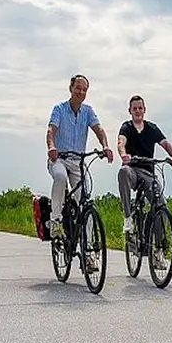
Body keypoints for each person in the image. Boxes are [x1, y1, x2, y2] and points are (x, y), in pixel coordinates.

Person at [45, 75, 114, 272]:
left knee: (85, 205)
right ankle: (56, 221)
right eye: (78, 88)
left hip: (78, 161)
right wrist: (51, 147)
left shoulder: (88, 111)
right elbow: (51, 131)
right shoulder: (59, 109)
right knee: (59, 177)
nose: (81, 92)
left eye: (84, 89)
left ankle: (89, 254)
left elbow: (99, 129)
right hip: (59, 158)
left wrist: (105, 146)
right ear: (71, 88)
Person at [117, 95, 172, 269]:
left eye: (140, 108)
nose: (138, 111)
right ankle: (128, 218)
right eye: (134, 108)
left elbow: (165, 143)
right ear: (130, 111)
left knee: (161, 206)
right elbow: (121, 142)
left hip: (148, 172)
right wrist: (123, 154)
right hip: (132, 170)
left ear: (144, 110)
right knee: (123, 172)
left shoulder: (152, 128)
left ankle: (158, 251)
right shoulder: (127, 127)